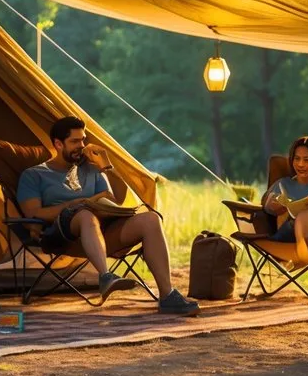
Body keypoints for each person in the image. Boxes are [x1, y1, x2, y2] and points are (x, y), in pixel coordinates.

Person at [17, 116, 200, 316]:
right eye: (75, 141)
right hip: (63, 236)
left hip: (103, 231)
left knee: (150, 218)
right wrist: (81, 203)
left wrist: (106, 165)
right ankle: (105, 276)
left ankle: (168, 296)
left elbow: (116, 199)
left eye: (83, 140)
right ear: (58, 144)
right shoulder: (34, 175)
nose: (82, 146)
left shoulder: (90, 168)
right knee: (85, 215)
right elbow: (34, 213)